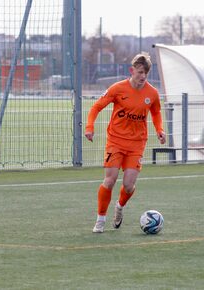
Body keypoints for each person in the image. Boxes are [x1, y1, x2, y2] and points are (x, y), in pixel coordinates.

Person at [85, 52, 166, 233]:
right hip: (116, 141)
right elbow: (96, 106)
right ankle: (100, 220)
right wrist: (89, 127)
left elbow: (156, 113)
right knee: (110, 180)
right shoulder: (117, 89)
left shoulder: (152, 93)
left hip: (137, 144)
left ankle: (119, 207)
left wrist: (159, 130)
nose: (142, 76)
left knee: (128, 185)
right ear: (132, 71)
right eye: (139, 72)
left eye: (145, 73)